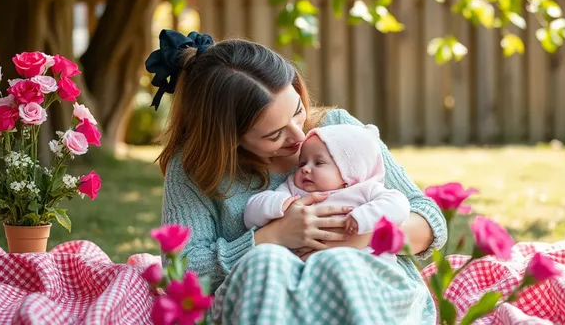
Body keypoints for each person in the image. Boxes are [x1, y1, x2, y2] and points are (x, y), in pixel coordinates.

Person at [147, 29, 448, 324]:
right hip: (268, 300)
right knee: (266, 262)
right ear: (229, 139)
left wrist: (358, 236)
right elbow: (182, 273)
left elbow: (429, 219)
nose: (298, 135)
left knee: (340, 264)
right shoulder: (193, 168)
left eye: (297, 111)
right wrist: (271, 237)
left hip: (366, 289)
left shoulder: (338, 129)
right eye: (275, 134)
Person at [243, 123, 410, 262]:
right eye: (302, 163)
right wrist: (277, 204)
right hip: (309, 273)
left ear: (348, 173)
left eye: (318, 162)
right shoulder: (293, 189)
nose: (305, 169)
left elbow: (399, 204)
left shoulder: (364, 190)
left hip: (362, 265)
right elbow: (250, 215)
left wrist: (365, 217)